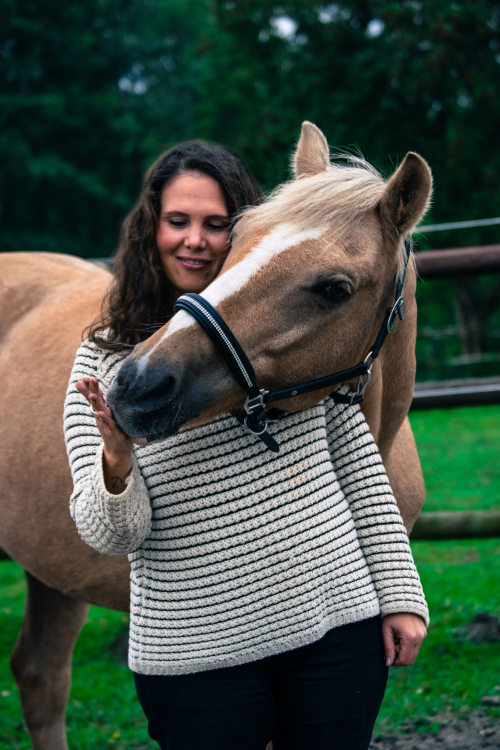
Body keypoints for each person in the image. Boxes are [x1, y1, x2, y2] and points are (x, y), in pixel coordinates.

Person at [64, 140, 428, 750]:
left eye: (218, 224)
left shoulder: (307, 343)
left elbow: (361, 468)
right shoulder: (107, 360)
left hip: (334, 633)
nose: (196, 241)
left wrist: (400, 594)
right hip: (198, 656)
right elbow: (110, 535)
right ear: (151, 227)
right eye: (177, 221)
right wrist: (117, 461)